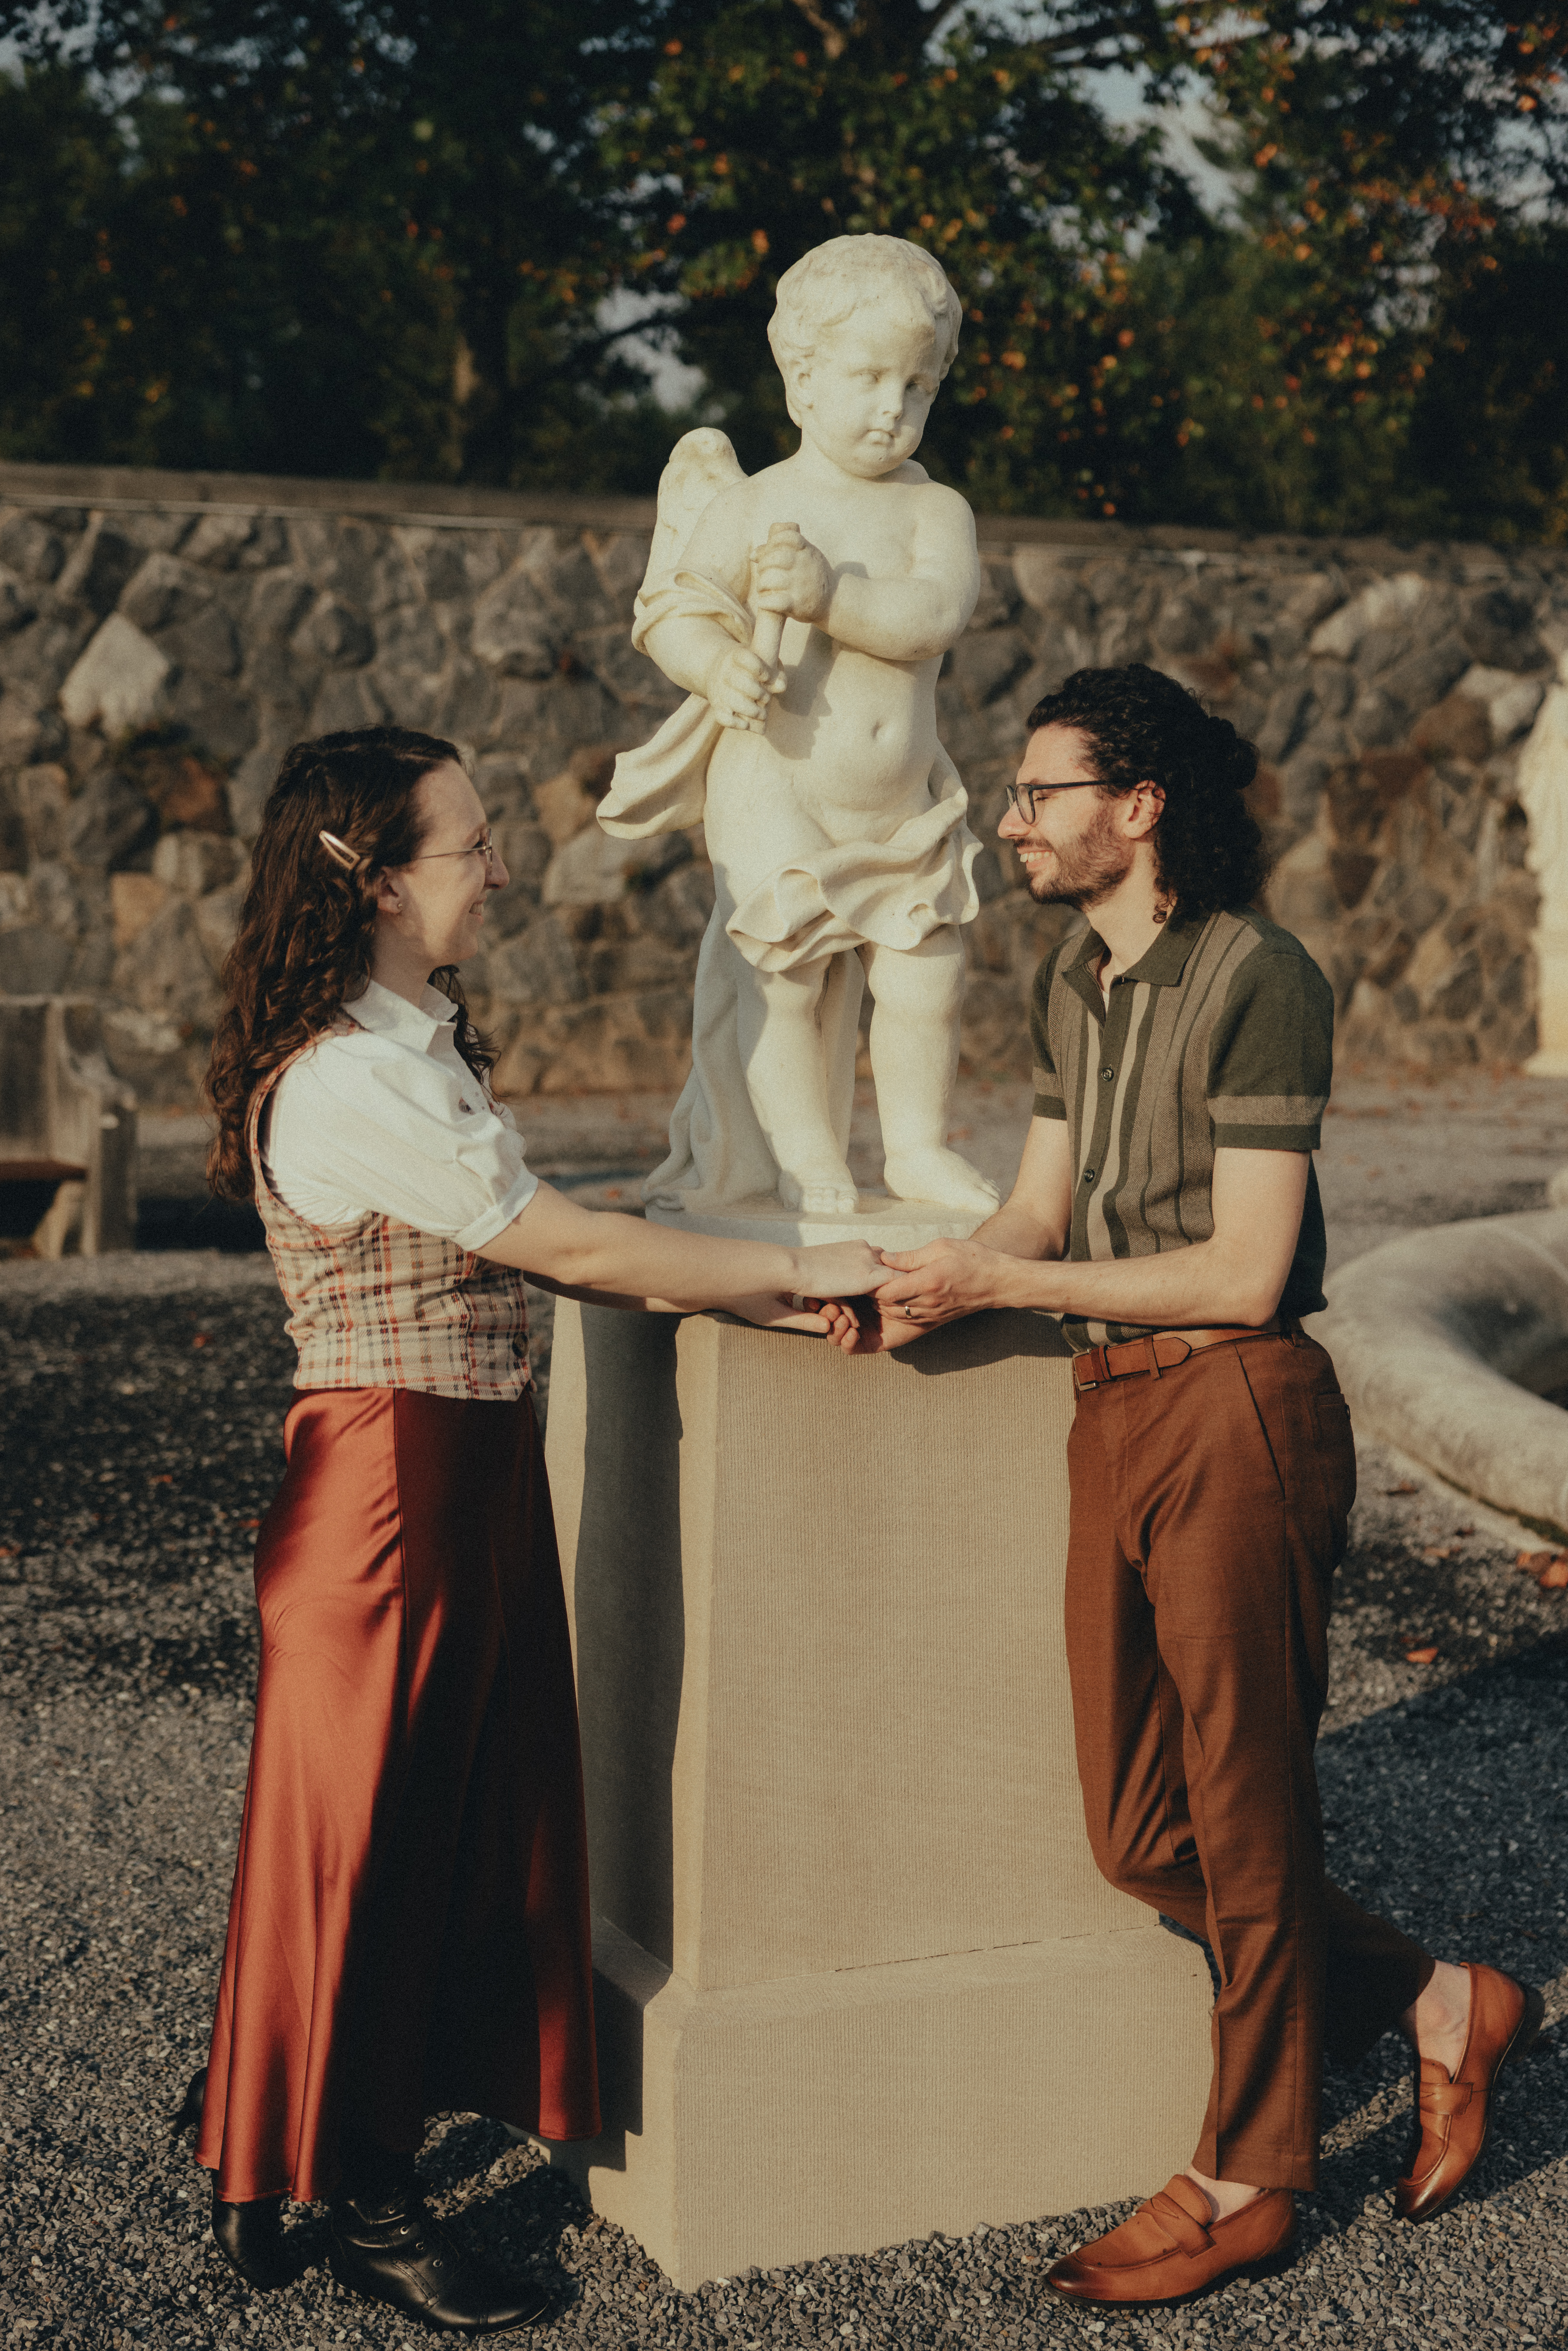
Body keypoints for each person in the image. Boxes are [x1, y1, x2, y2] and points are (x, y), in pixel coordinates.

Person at [825, 665, 1543, 2307]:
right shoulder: (1075, 986)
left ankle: (1250, 2169)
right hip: (1111, 1407)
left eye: (1040, 791)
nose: (1014, 820)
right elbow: (1036, 1211)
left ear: (1139, 807)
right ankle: (1445, 2000)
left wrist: (1023, 1280)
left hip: (1239, 1406)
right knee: (1142, 1822)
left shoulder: (1259, 974)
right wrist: (924, 1274)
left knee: (1249, 1803)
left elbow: (1244, 1269)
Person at [196, 726, 880, 2333]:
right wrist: (810, 1271)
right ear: (372, 881)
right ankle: (359, 2195)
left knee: (382, 1835)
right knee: (372, 1841)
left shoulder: (399, 1041)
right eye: (470, 842)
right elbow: (565, 1242)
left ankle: (258, 2163)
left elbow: (557, 1225)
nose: (500, 865)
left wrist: (742, 1254)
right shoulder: (355, 1073)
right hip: (390, 1490)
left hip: (448, 1477)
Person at [596, 234, 998, 1223]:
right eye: (868, 379)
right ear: (803, 380)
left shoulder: (935, 510)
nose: (891, 409)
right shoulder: (758, 503)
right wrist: (718, 665)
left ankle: (912, 1150)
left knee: (927, 974)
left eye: (917, 386)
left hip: (901, 803)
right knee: (788, 981)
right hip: (779, 788)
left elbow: (936, 614)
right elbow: (671, 609)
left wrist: (829, 595)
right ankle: (804, 1151)